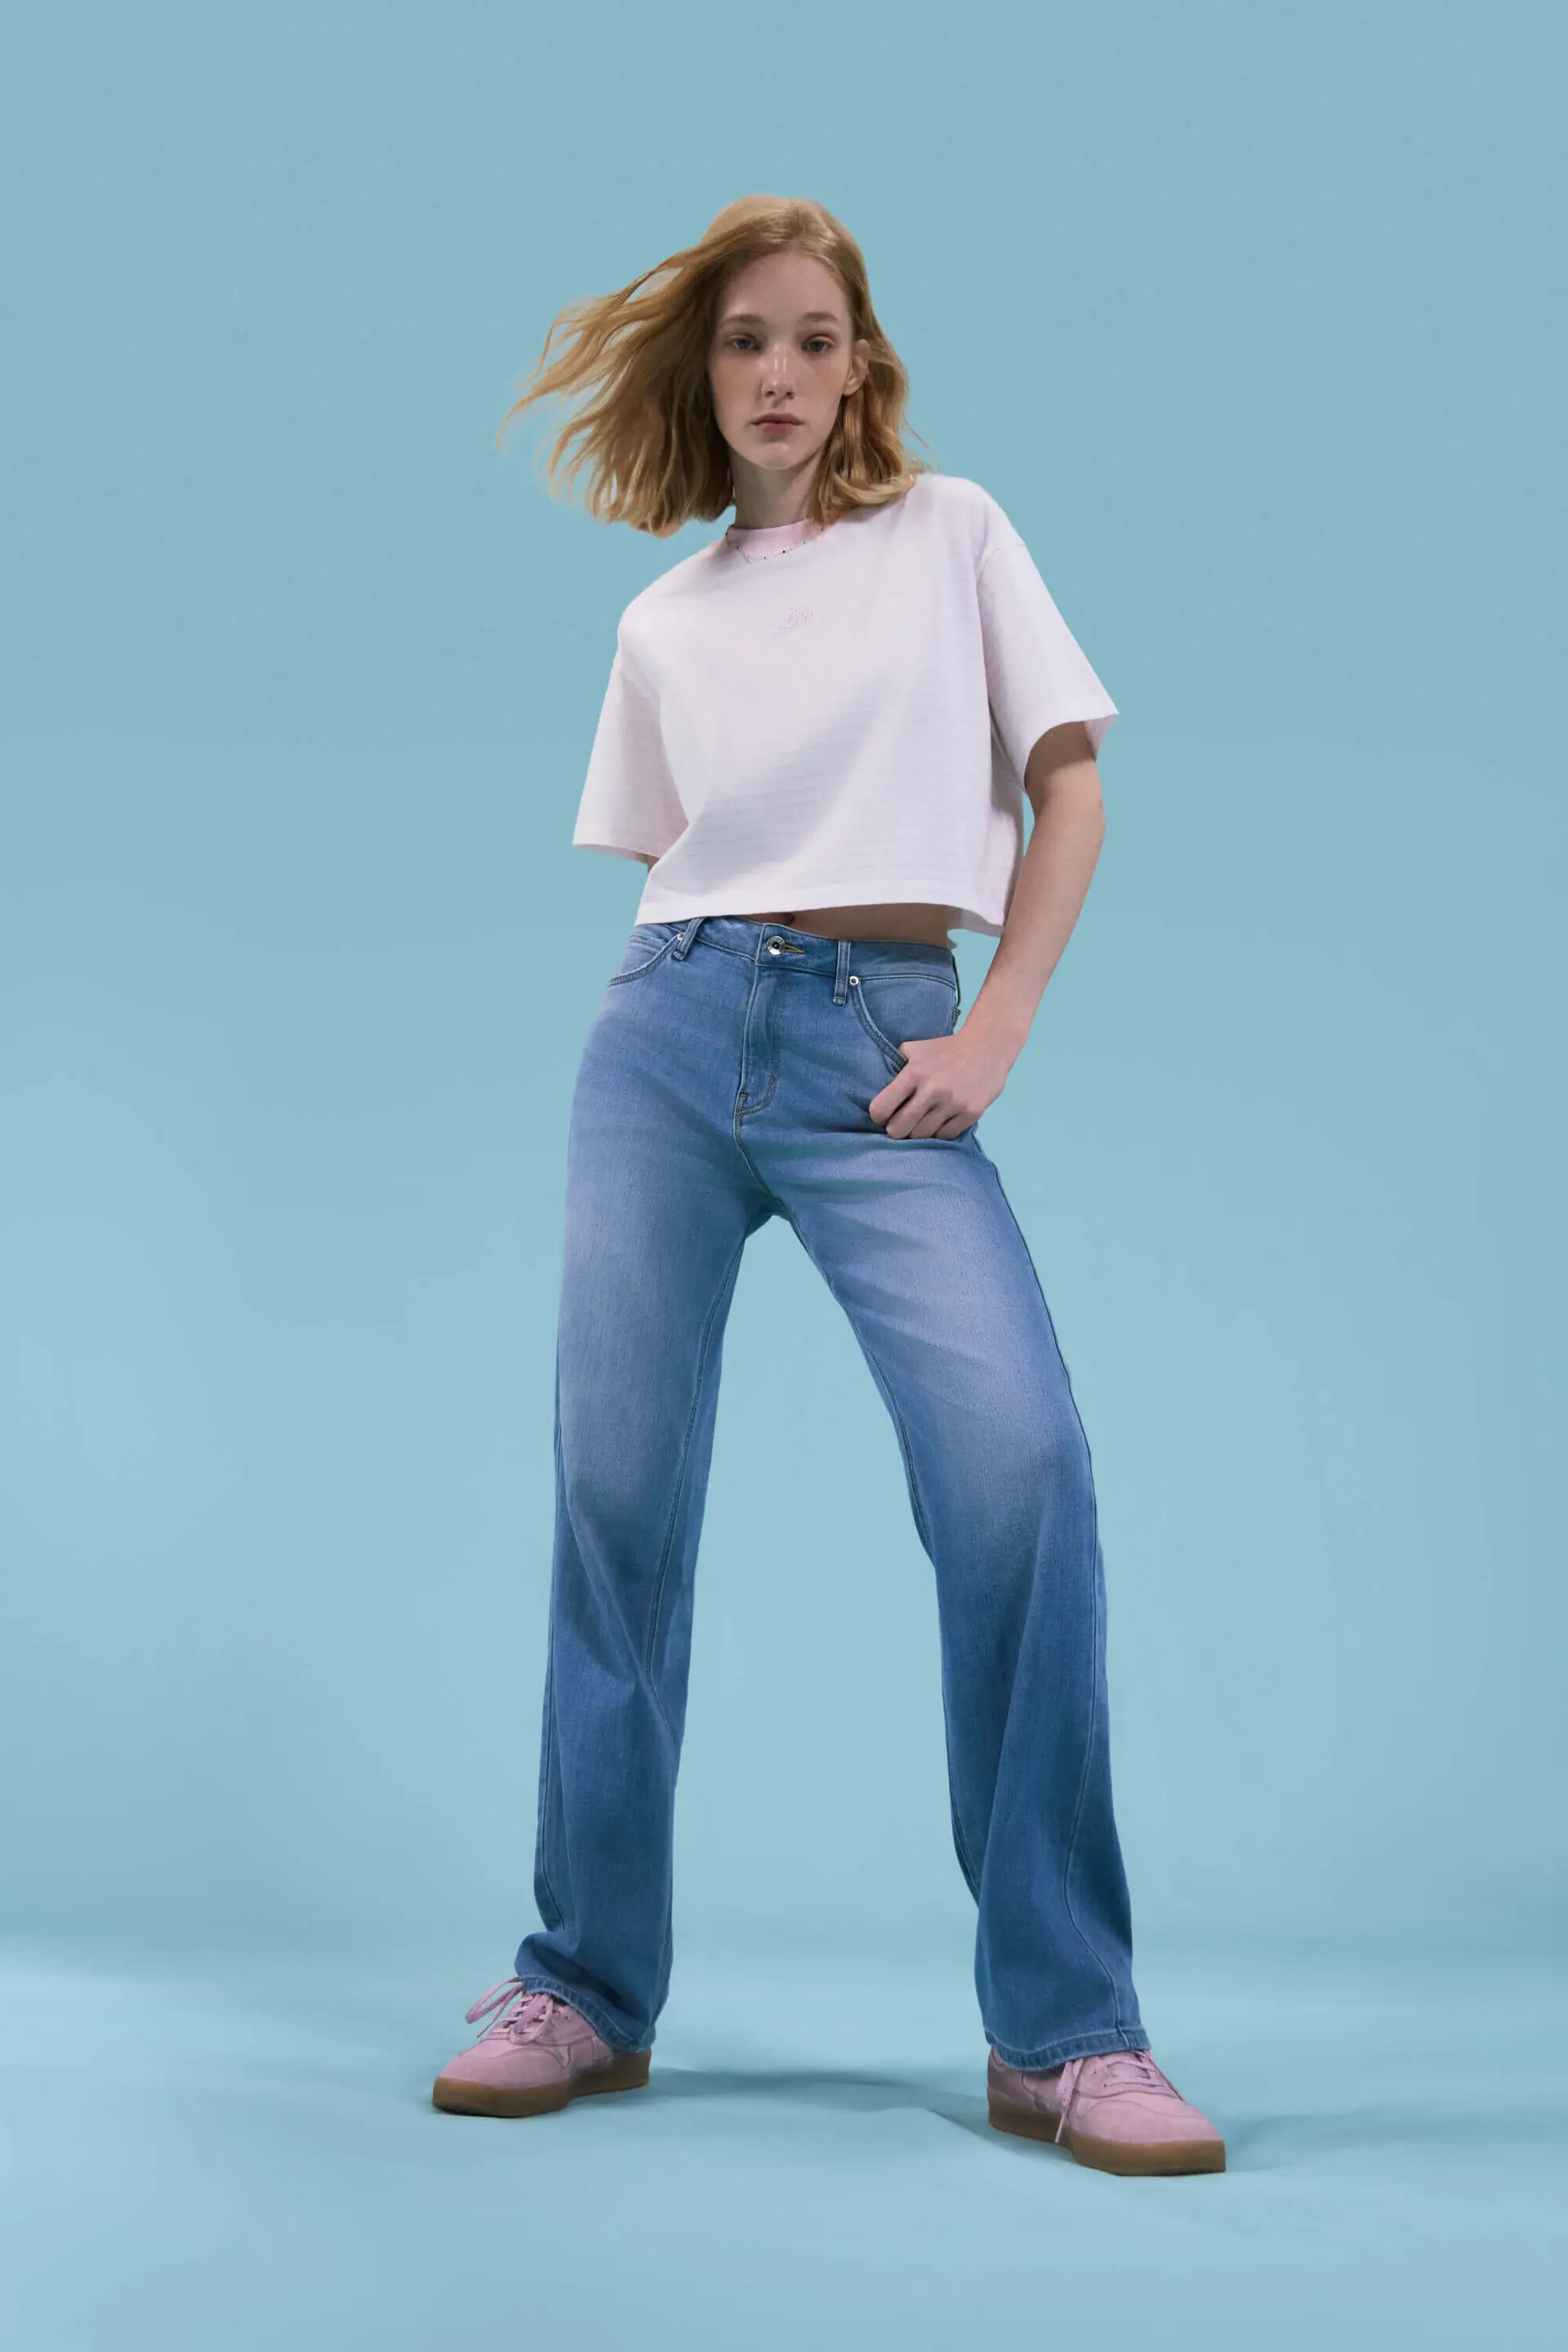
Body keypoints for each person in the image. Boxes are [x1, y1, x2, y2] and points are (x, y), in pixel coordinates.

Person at [431, 195, 1224, 2178]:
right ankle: (582, 1987)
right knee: (618, 1501)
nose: (778, 373)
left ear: (862, 363)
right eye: (743, 343)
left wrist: (997, 1026)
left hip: (885, 1039)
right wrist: (717, 1008)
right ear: (703, 375)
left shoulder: (955, 535)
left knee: (1019, 1469)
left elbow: (1070, 782)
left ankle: (1068, 2030)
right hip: (668, 1032)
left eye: (812, 337)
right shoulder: (665, 622)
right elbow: (682, 872)